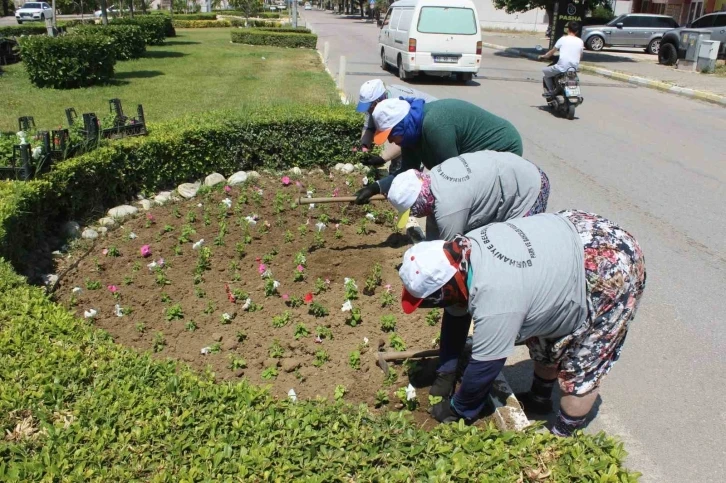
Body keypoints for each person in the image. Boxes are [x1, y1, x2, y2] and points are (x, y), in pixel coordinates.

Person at [397, 211, 646, 436]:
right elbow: (456, 314)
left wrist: (458, 409)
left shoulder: (495, 297)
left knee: (581, 366)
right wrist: (446, 370)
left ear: (447, 287)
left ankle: (561, 438)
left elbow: (485, 365)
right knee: (542, 323)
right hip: (573, 235)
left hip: (608, 266)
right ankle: (539, 399)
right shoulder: (462, 251)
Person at [354, 98, 523, 204]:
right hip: (471, 155)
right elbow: (408, 172)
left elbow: (453, 177)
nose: (390, 141)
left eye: (390, 135)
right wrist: (375, 188)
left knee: (472, 199)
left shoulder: (435, 125)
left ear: (401, 126)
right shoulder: (411, 132)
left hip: (502, 148)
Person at [387, 150, 550, 241]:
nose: (415, 214)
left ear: (418, 203)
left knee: (512, 246)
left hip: (528, 188)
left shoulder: (448, 206)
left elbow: (450, 255)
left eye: (412, 211)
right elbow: (434, 225)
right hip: (514, 168)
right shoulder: (432, 180)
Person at [356, 79, 437, 172]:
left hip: (430, 123)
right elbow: (369, 127)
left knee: (413, 168)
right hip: (413, 127)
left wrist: (382, 158)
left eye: (369, 107)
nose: (369, 111)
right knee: (400, 165)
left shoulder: (398, 103)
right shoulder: (375, 105)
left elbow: (405, 137)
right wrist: (364, 146)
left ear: (377, 101)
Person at [539, 21, 584, 96]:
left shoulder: (563, 39)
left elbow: (552, 52)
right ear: (577, 31)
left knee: (545, 72)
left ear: (567, 29)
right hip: (573, 69)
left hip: (562, 67)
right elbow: (580, 55)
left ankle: (551, 91)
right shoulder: (580, 41)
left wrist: (544, 56)